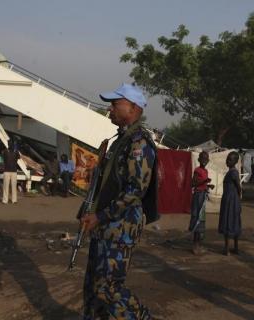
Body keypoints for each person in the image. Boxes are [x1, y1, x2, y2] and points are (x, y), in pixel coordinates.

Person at [80, 83, 158, 320]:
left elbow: (136, 189)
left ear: (133, 108)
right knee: (93, 288)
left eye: (115, 104)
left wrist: (101, 216)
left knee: (108, 289)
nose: (110, 109)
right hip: (104, 225)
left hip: (120, 227)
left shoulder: (139, 143)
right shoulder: (119, 141)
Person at [188, 151, 214, 255]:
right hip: (198, 196)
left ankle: (198, 244)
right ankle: (195, 246)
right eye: (202, 158)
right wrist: (204, 182)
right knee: (196, 218)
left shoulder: (206, 171)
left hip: (202, 196)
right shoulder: (197, 170)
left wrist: (208, 186)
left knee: (201, 219)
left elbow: (202, 184)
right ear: (199, 160)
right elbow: (193, 184)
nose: (204, 160)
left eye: (206, 159)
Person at [218, 151, 242, 256]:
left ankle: (227, 249)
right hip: (230, 199)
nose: (227, 161)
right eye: (227, 158)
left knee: (228, 221)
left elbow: (238, 187)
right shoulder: (231, 172)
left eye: (230, 159)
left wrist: (237, 198)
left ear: (235, 161)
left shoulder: (233, 172)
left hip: (231, 200)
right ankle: (235, 248)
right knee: (234, 221)